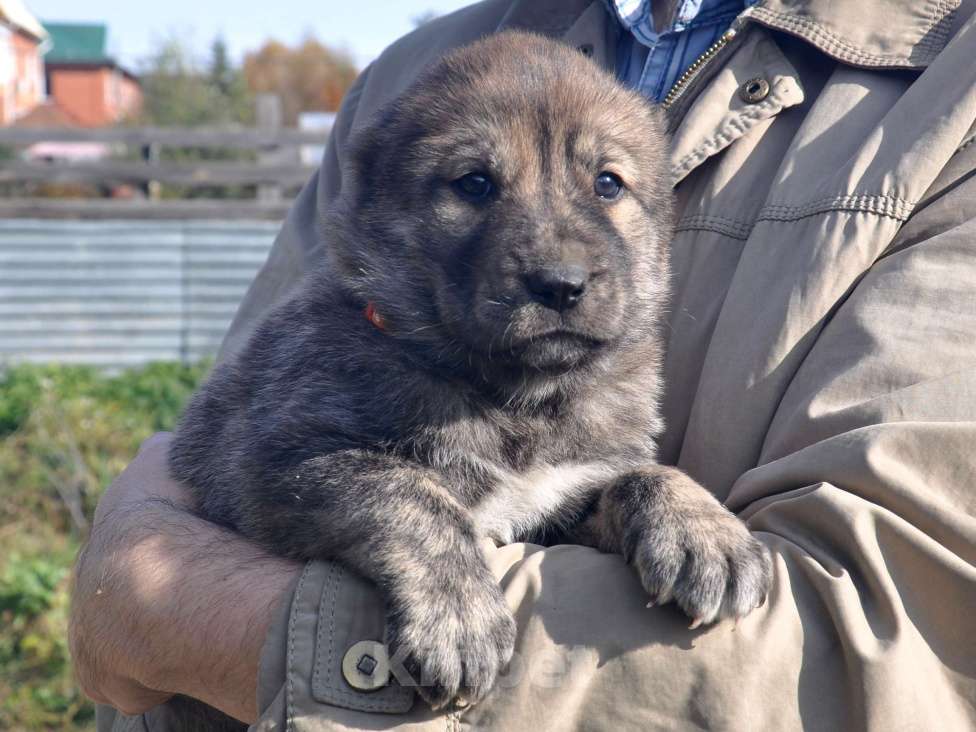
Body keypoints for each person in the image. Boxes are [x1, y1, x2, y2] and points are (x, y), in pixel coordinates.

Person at [70, 0, 976, 729]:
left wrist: (646, 493)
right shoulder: (407, 88)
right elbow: (253, 463)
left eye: (608, 186)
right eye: (474, 186)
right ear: (376, 212)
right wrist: (419, 538)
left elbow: (886, 665)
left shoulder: (950, 83)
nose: (555, 260)